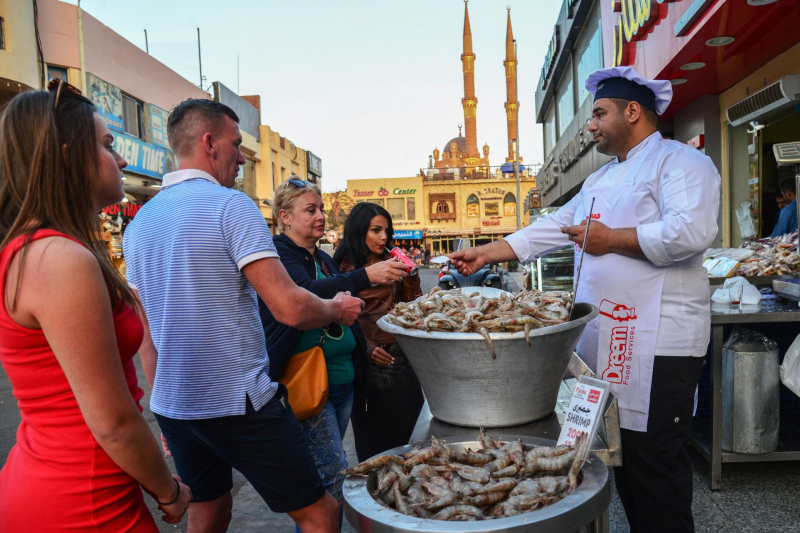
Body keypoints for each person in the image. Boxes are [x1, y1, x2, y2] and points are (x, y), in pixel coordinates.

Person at [450, 67, 720, 533]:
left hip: (661, 345)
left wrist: (611, 238)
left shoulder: (681, 162)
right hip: (609, 345)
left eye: (598, 113)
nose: (591, 125)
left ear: (633, 112)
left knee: (656, 467)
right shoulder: (598, 182)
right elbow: (552, 229)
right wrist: (485, 251)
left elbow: (691, 233)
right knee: (624, 462)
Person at [123, 99, 363, 533]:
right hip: (238, 403)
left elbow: (146, 335)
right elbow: (288, 306)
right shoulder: (230, 206)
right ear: (209, 142)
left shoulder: (139, 224)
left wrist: (162, 405)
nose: (241, 158)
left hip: (176, 407)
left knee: (209, 509)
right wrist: (336, 308)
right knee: (320, 513)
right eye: (236, 145)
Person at [0, 81, 191, 532]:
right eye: (107, 146)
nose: (122, 159)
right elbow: (115, 421)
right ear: (68, 156)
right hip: (82, 500)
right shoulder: (59, 258)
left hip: (64, 480)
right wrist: (169, 489)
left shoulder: (31, 250)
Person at [260, 178, 407, 530]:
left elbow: (346, 309)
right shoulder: (279, 256)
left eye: (321, 209)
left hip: (342, 380)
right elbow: (305, 292)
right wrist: (364, 276)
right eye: (310, 210)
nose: (320, 216)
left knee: (328, 473)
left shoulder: (321, 257)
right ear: (285, 216)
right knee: (333, 476)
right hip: (310, 383)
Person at [334, 203, 425, 461]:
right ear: (359, 230)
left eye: (386, 230)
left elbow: (413, 310)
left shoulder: (391, 261)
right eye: (375, 230)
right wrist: (366, 346)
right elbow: (335, 317)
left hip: (399, 360)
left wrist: (411, 279)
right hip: (365, 363)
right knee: (373, 444)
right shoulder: (340, 268)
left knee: (411, 440)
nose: (383, 237)